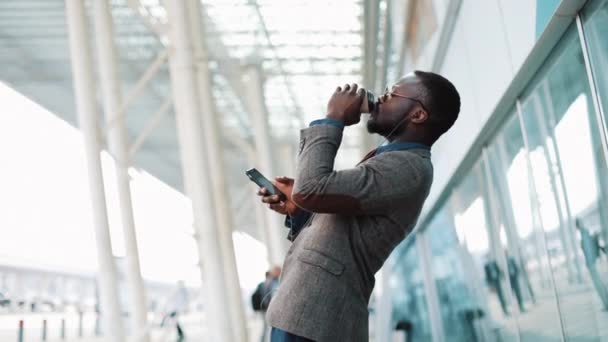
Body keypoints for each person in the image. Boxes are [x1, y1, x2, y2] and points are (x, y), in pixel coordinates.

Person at [257, 71, 460, 341]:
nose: (381, 97)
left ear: (418, 115)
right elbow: (340, 232)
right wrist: (299, 209)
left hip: (317, 319)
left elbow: (311, 187)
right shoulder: (392, 161)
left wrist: (333, 119)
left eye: (392, 93)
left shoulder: (409, 168)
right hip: (308, 317)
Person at [575, 218, 608, 310]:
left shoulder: (584, 234)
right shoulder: (585, 233)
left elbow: (588, 250)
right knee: (600, 283)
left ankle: (606, 304)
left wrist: (590, 264)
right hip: (592, 262)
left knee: (599, 284)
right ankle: (606, 303)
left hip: (592, 263)